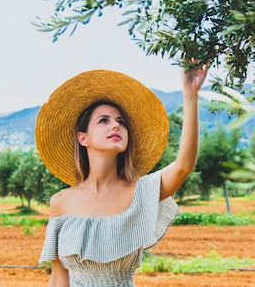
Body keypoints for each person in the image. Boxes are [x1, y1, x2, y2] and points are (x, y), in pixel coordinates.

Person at [35, 63, 208, 287]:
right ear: (83, 138)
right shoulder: (60, 202)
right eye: (104, 120)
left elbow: (184, 166)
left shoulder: (141, 191)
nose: (115, 126)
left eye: (121, 122)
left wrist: (190, 94)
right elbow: (59, 278)